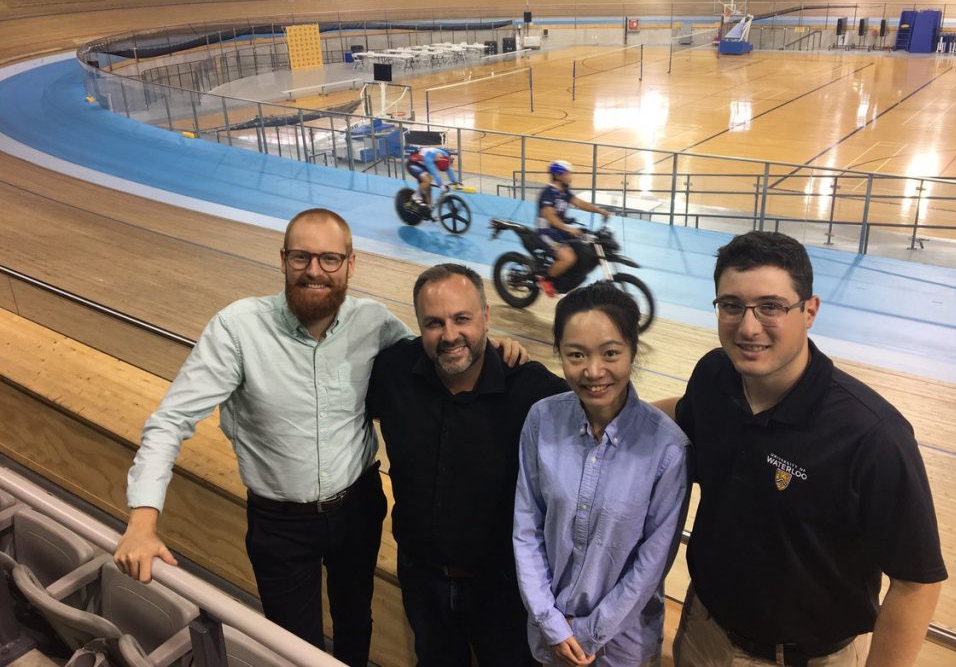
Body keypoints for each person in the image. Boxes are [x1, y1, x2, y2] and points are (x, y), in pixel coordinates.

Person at [114, 208, 525, 665]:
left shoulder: (374, 323)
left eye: (330, 259)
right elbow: (170, 421)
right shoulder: (237, 328)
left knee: (356, 621)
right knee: (293, 644)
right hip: (280, 525)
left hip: (359, 510)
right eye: (302, 257)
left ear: (351, 265)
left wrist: (494, 345)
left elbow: (437, 351)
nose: (315, 270)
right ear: (283, 260)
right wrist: (142, 521)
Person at [663, 231, 946, 667]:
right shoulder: (713, 376)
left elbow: (916, 582)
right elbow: (680, 419)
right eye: (732, 305)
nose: (748, 326)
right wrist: (601, 405)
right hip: (704, 631)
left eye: (771, 306)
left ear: (809, 311)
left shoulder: (872, 435)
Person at [366, 263, 568, 667]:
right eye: (434, 323)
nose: (450, 335)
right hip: (421, 578)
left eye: (463, 319)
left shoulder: (531, 389)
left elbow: (602, 421)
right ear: (420, 325)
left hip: (505, 589)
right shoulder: (393, 372)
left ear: (487, 318)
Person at [514, 281, 690, 666]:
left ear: (632, 351)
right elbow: (526, 528)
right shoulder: (541, 419)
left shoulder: (667, 448)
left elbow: (651, 564)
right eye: (576, 354)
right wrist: (551, 621)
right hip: (549, 638)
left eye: (610, 352)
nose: (593, 371)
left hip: (622, 649)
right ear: (559, 352)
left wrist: (589, 631)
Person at [536, 160, 610, 298]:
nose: (570, 176)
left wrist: (599, 210)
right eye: (567, 173)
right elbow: (550, 216)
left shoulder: (564, 192)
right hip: (546, 232)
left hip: (559, 232)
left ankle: (567, 278)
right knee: (568, 258)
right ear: (558, 176)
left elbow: (580, 203)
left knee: (584, 246)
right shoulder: (547, 193)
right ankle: (545, 280)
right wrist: (568, 228)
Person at [406, 144, 459, 209]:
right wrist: (442, 186)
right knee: (427, 180)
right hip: (413, 164)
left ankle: (429, 209)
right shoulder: (429, 159)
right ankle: (416, 196)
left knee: (429, 189)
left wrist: (455, 182)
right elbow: (435, 174)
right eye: (437, 167)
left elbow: (449, 170)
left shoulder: (445, 156)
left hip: (423, 165)